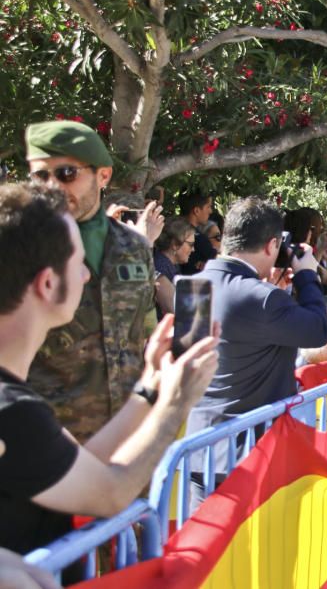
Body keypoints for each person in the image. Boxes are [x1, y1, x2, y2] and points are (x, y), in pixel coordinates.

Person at [0, 183, 218, 560]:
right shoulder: (12, 411)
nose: (88, 276)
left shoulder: (17, 404)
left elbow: (87, 463)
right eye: (80, 263)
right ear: (48, 283)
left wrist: (150, 387)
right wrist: (177, 402)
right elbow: (111, 492)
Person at [25, 121, 156, 441]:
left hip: (128, 435)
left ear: (103, 175)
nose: (53, 187)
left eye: (67, 173)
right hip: (50, 447)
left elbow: (144, 330)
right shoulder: (21, 249)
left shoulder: (135, 247)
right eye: (41, 176)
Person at [185, 197, 327, 479]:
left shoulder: (192, 286)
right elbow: (318, 330)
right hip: (247, 455)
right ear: (270, 246)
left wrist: (274, 290)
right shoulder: (262, 299)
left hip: (197, 448)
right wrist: (307, 277)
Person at [152, 217, 196, 317]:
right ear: (175, 244)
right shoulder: (161, 269)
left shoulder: (171, 266)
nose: (193, 249)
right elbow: (179, 311)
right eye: (190, 244)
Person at [177, 190, 217, 275]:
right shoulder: (199, 239)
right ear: (197, 211)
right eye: (208, 207)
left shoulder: (173, 229)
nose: (211, 211)